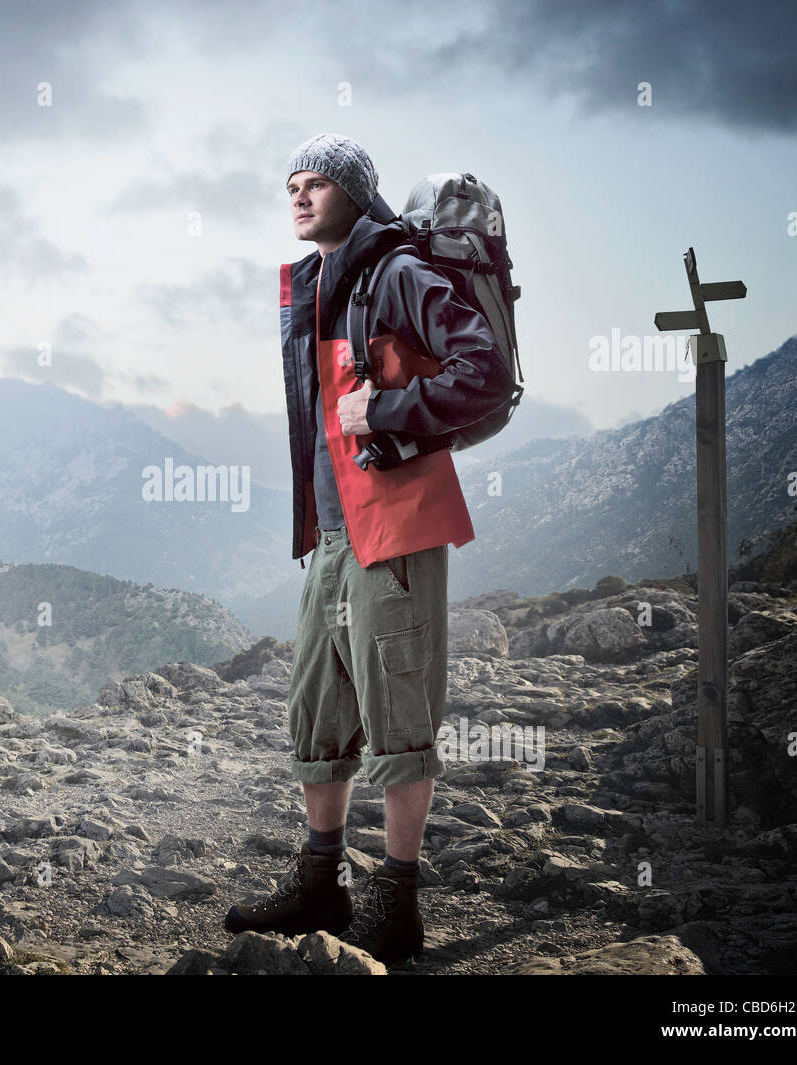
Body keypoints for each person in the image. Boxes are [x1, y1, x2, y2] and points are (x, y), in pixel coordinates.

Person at [223, 133, 516, 965]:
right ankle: (321, 877)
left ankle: (396, 898)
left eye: (318, 183)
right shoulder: (321, 281)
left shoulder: (395, 271)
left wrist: (382, 414)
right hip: (334, 531)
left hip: (396, 522)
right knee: (317, 708)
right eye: (292, 185)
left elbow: (485, 370)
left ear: (357, 194)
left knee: (398, 715)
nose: (300, 196)